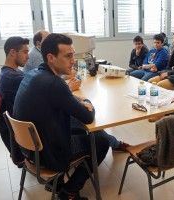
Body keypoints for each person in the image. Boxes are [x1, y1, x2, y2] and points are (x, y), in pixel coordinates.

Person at [13, 33, 109, 200]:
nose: (73, 60)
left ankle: (56, 182)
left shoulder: (33, 74)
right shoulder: (54, 83)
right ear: (51, 57)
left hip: (30, 149)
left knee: (79, 127)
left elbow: (61, 99)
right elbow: (88, 117)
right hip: (48, 155)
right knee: (101, 140)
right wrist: (87, 101)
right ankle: (69, 192)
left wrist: (73, 99)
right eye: (68, 56)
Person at [0, 36, 29, 166]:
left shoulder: (5, 72)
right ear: (13, 53)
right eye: (25, 52)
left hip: (16, 136)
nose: (28, 56)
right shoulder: (15, 78)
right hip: (27, 138)